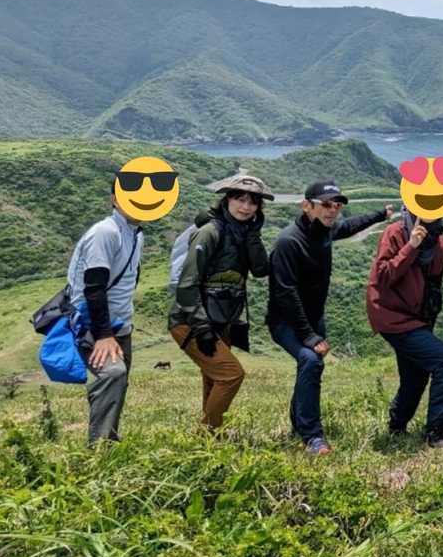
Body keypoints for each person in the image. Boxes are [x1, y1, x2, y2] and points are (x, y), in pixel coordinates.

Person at [267, 178, 392, 455]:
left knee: (309, 368)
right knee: (311, 361)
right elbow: (285, 293)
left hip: (313, 319)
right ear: (306, 206)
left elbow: (349, 226)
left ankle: (299, 425)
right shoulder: (289, 242)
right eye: (325, 205)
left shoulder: (324, 230)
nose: (332, 210)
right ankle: (312, 436)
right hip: (286, 320)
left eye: (337, 205)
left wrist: (380, 214)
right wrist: (310, 336)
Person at [168, 173, 271, 431]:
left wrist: (253, 235)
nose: (246, 207)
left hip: (221, 319)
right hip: (191, 321)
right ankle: (208, 433)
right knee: (231, 375)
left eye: (253, 202)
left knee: (214, 378)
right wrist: (201, 327)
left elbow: (260, 269)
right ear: (227, 199)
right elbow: (187, 283)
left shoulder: (244, 232)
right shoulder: (210, 232)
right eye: (240, 199)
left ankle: (209, 436)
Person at [366, 206, 443, 448]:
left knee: (416, 375)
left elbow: (432, 288)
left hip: (419, 318)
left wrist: (428, 322)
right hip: (391, 315)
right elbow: (383, 276)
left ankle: (397, 426)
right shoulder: (395, 233)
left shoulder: (440, 245)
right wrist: (411, 246)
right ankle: (436, 432)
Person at [64, 174, 150, 445]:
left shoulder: (135, 234)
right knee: (113, 374)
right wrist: (103, 335)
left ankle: (108, 439)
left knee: (119, 383)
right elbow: (94, 287)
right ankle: (99, 449)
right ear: (115, 199)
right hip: (94, 325)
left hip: (120, 325)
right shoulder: (106, 232)